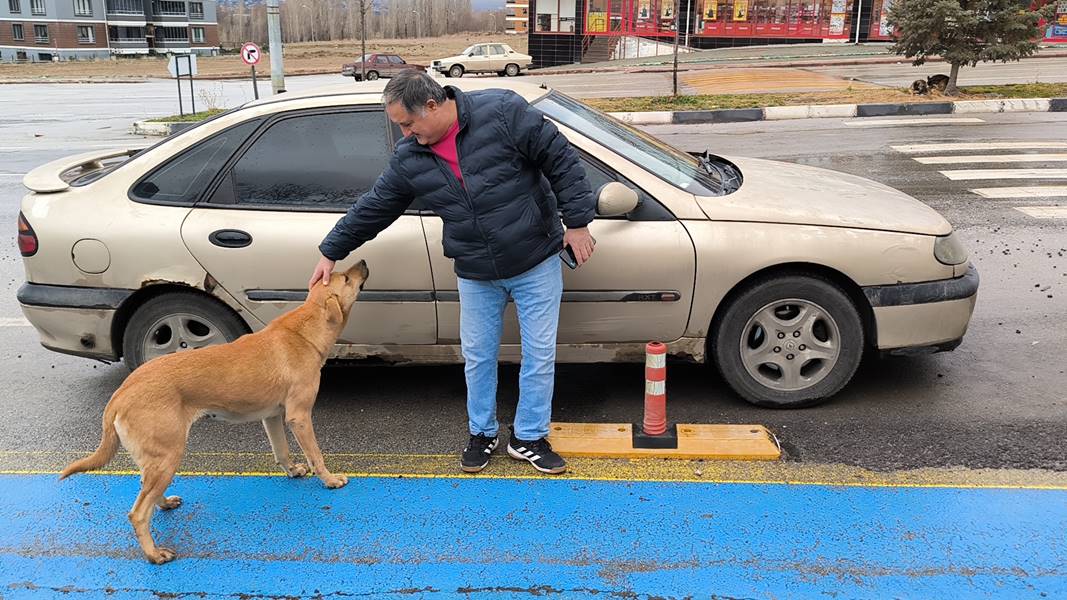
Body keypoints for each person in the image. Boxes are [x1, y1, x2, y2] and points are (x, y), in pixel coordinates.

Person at [309, 71, 596, 475]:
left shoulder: (503, 112)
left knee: (539, 355)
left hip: (535, 257)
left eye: (408, 124)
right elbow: (376, 206)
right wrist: (331, 250)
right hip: (476, 269)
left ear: (432, 105)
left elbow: (561, 159)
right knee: (477, 356)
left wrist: (579, 222)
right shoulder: (411, 156)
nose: (405, 134)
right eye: (399, 127)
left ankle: (529, 436)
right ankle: (482, 432)